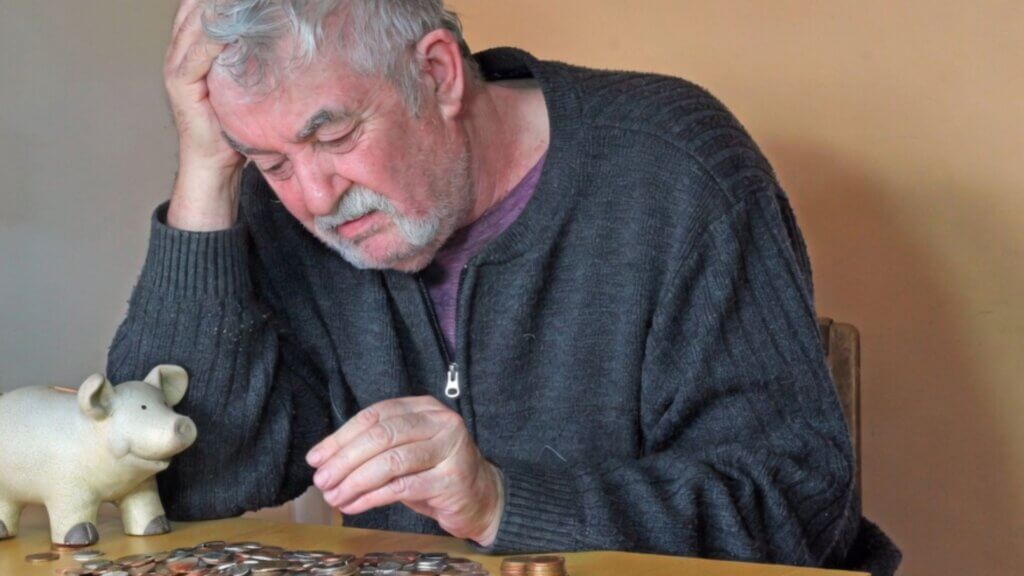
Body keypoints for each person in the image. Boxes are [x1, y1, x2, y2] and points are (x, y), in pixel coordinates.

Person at [108, 0, 900, 573]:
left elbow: (798, 507)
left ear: (439, 74)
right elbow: (188, 479)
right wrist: (207, 177)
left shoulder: (674, 170)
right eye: (272, 162)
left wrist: (500, 502)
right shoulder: (287, 217)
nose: (314, 197)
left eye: (337, 136)